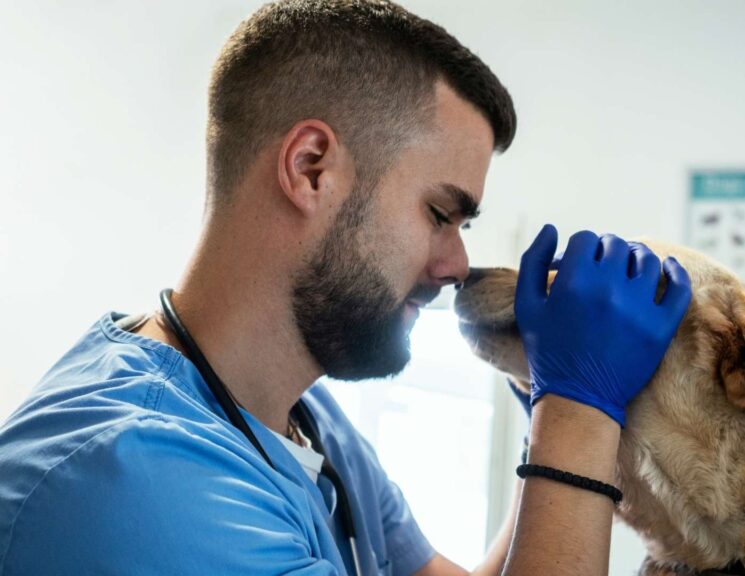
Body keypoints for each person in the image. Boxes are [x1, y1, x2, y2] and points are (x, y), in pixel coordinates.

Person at [0, 1, 692, 574]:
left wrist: (549, 416)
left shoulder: (307, 419)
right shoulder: (137, 480)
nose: (456, 265)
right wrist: (580, 416)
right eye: (439, 214)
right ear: (310, 169)